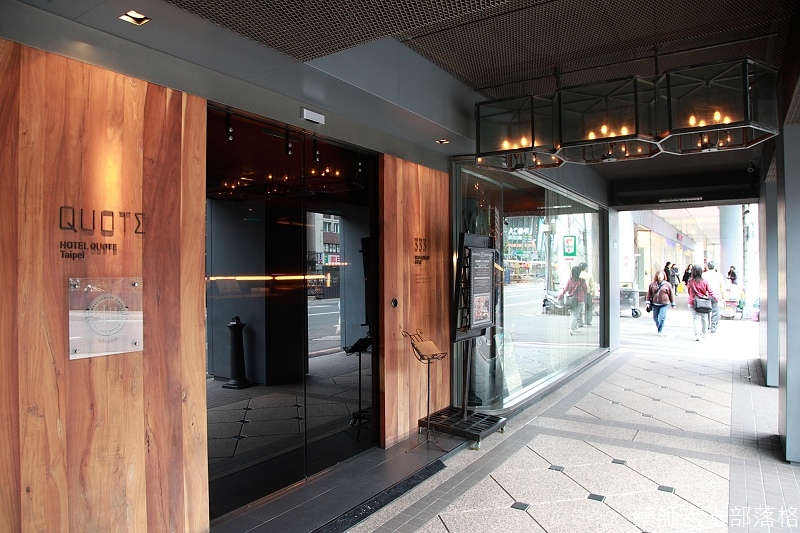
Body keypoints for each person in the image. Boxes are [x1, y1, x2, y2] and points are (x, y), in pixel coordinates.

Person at [558, 265, 587, 336]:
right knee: (575, 314)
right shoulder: (582, 280)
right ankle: (571, 328)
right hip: (580, 300)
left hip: (571, 300)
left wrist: (560, 296)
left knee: (573, 313)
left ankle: (574, 327)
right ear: (579, 272)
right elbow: (585, 290)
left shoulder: (570, 280)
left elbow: (565, 289)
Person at [646, 270, 676, 336]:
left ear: (664, 276)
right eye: (658, 275)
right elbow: (649, 294)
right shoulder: (652, 284)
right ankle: (659, 326)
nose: (660, 276)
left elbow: (671, 294)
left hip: (664, 303)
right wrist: (648, 302)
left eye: (661, 275)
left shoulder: (667, 284)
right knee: (655, 317)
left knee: (662, 317)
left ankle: (660, 330)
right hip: (655, 303)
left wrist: (673, 303)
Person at [686, 264, 711, 340]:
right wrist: (717, 298)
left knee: (696, 318)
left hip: (692, 302)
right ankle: (704, 333)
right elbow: (710, 291)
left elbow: (689, 291)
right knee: (704, 318)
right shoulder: (705, 281)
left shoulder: (690, 281)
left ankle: (697, 335)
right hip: (703, 302)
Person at [703, 261, 726, 333]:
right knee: (715, 311)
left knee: (706, 311)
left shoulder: (703, 275)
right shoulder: (719, 275)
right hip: (716, 295)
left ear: (707, 267)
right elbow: (722, 287)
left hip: (706, 295)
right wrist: (723, 296)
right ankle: (713, 327)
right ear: (714, 267)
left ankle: (706, 326)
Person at [578, 262, 597, 326]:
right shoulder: (589, 275)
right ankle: (588, 321)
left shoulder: (577, 274)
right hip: (587, 293)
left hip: (578, 293)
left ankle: (580, 322)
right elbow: (592, 286)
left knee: (579, 308)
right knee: (589, 307)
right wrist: (593, 294)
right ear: (585, 268)